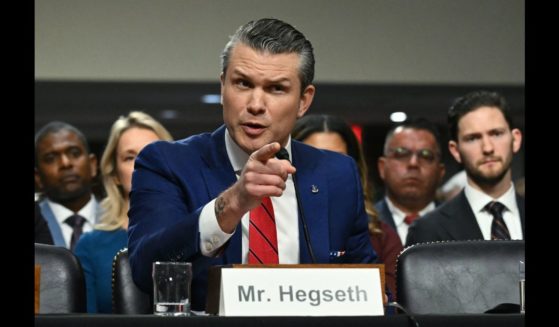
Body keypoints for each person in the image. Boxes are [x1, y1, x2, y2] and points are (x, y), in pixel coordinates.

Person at [128, 18, 378, 312]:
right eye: (243, 83)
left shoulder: (337, 174)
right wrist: (232, 203)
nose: (256, 104)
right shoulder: (168, 163)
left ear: (303, 101)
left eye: (276, 89)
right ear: (223, 86)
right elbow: (147, 269)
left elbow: (368, 287)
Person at [292, 114, 402, 299]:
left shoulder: (380, 236)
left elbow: (388, 304)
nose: (324, 174)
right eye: (314, 161)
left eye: (335, 161)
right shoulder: (272, 222)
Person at [74, 111, 173, 313]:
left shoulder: (197, 233)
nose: (142, 163)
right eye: (130, 157)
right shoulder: (90, 246)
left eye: (152, 153)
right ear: (115, 174)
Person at [406, 91, 525, 246]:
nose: (488, 148)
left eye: (496, 134)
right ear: (456, 151)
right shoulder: (427, 231)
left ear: (515, 140)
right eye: (473, 138)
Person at [375, 118, 446, 245]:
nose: (413, 163)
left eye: (426, 155)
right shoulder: (361, 224)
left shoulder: (461, 223)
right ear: (382, 167)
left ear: (441, 172)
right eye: (401, 154)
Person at [35, 121, 101, 251]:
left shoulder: (122, 220)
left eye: (75, 153)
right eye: (50, 158)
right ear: (37, 178)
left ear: (93, 165)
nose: (65, 163)